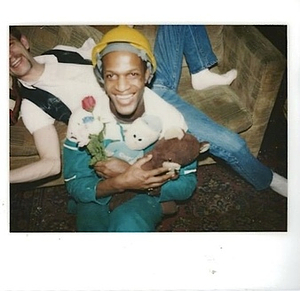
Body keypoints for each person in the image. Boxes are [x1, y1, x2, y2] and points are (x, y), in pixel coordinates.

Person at [9, 25, 287, 197]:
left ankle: (200, 71)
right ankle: (269, 179)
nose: (8, 56)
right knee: (234, 145)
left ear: (24, 41)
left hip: (151, 82)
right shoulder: (33, 104)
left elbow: (105, 54)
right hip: (140, 109)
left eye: (8, 45)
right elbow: (51, 164)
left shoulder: (59, 50)